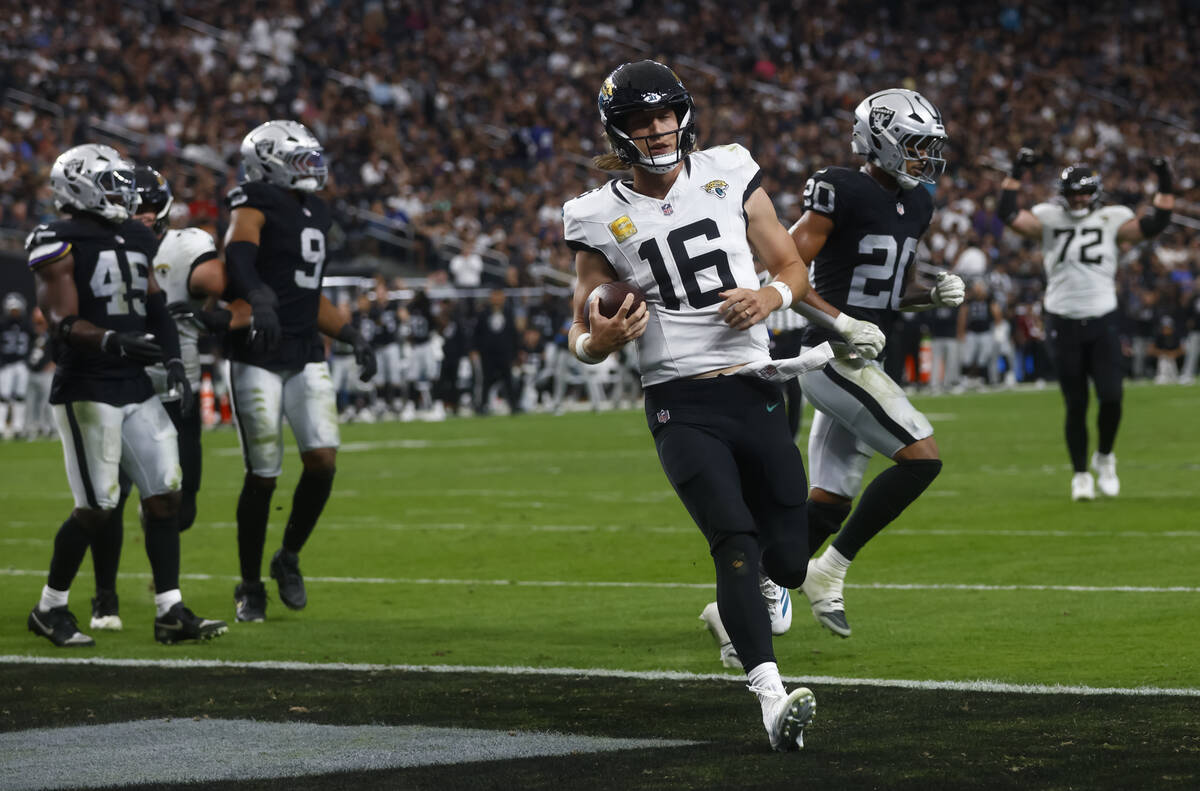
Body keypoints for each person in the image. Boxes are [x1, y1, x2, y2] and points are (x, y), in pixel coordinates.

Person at [561, 60, 880, 751]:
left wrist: (768, 298)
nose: (657, 127)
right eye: (642, 119)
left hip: (759, 383)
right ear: (618, 130)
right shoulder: (594, 213)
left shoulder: (732, 169)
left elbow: (791, 266)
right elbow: (579, 327)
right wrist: (599, 340)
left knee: (788, 559)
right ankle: (769, 693)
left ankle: (753, 607)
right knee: (732, 540)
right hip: (680, 399)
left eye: (665, 113)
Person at [23, 143, 226, 646]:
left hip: (135, 382)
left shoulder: (135, 233)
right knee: (98, 506)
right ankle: (49, 608)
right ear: (80, 187)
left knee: (165, 494)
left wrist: (174, 358)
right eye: (111, 183)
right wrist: (111, 338)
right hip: (87, 384)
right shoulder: (56, 237)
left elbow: (154, 302)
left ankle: (170, 610)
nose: (124, 193)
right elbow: (61, 319)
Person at [786, 89, 964, 639]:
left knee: (828, 501)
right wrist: (840, 324)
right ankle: (829, 572)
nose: (923, 158)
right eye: (913, 146)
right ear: (880, 141)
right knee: (922, 458)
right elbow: (786, 270)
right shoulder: (840, 186)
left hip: (863, 352)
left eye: (928, 147)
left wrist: (926, 297)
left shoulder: (921, 203)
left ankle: (741, 598)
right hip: (829, 352)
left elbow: (884, 289)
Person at [222, 120, 377, 622]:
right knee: (263, 474)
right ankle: (248, 585)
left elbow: (307, 294)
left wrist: (351, 333)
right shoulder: (253, 200)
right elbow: (239, 254)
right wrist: (258, 296)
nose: (311, 165)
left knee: (323, 462)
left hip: (305, 348)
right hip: (259, 351)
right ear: (267, 162)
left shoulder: (316, 207)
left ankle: (287, 556)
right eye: (298, 157)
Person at [83, 165, 241, 632]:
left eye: (151, 207)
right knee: (108, 498)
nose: (144, 215)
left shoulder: (186, 245)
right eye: (137, 207)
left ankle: (160, 589)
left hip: (176, 388)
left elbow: (231, 288)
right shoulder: (103, 245)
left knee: (181, 502)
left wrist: (221, 312)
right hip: (121, 385)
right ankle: (106, 596)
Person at [999, 151, 1175, 500]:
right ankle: (1080, 474)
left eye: (1084, 192)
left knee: (1112, 396)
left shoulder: (1113, 219)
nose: (1079, 199)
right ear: (1063, 194)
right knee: (1075, 403)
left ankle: (1105, 456)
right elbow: (1008, 215)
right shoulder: (1049, 218)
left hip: (1102, 317)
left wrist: (1164, 178)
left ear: (1095, 192)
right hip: (1062, 319)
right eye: (1073, 193)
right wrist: (1016, 171)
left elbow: (1155, 224)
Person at [0, 292, 33, 439]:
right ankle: (1, 426)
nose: (14, 313)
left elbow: (34, 343)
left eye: (16, 310)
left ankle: (18, 427)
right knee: (4, 396)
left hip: (21, 365)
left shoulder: (27, 326)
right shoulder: (2, 325)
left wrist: (29, 360)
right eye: (12, 310)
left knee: (20, 396)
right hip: (6, 365)